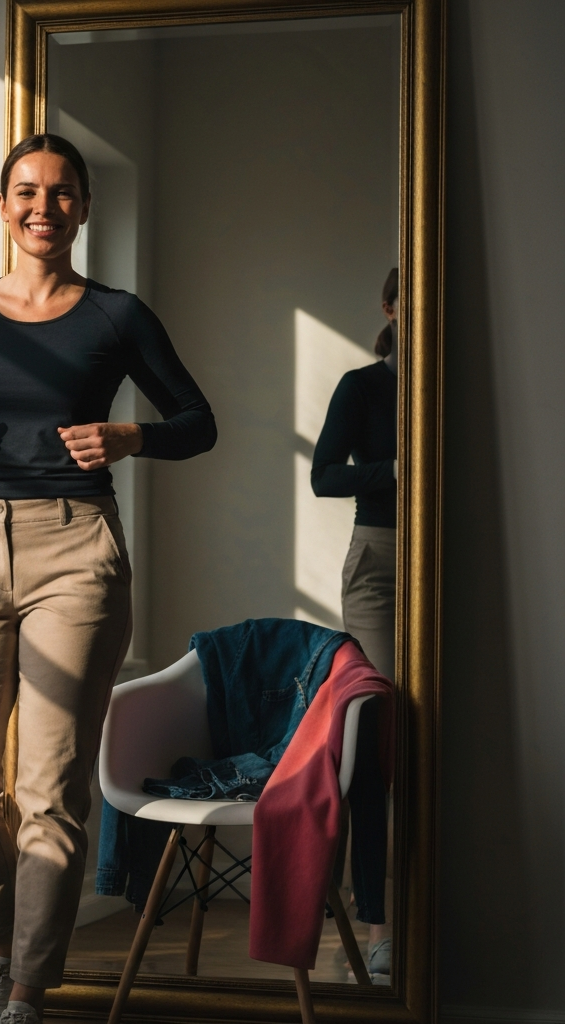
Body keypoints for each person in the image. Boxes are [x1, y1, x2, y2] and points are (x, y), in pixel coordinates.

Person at [0, 134, 216, 1024]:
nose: (44, 206)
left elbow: (197, 421)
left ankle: (27, 994)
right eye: (27, 191)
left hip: (76, 548)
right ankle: (5, 947)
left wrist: (130, 436)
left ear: (83, 209)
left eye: (62, 192)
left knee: (49, 787)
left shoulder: (116, 315)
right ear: (3, 207)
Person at [310, 267, 398, 979]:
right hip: (381, 564)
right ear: (391, 309)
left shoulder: (461, 384)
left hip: (453, 558)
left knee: (436, 740)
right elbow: (324, 476)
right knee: (374, 733)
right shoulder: (363, 386)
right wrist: (399, 469)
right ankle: (377, 924)